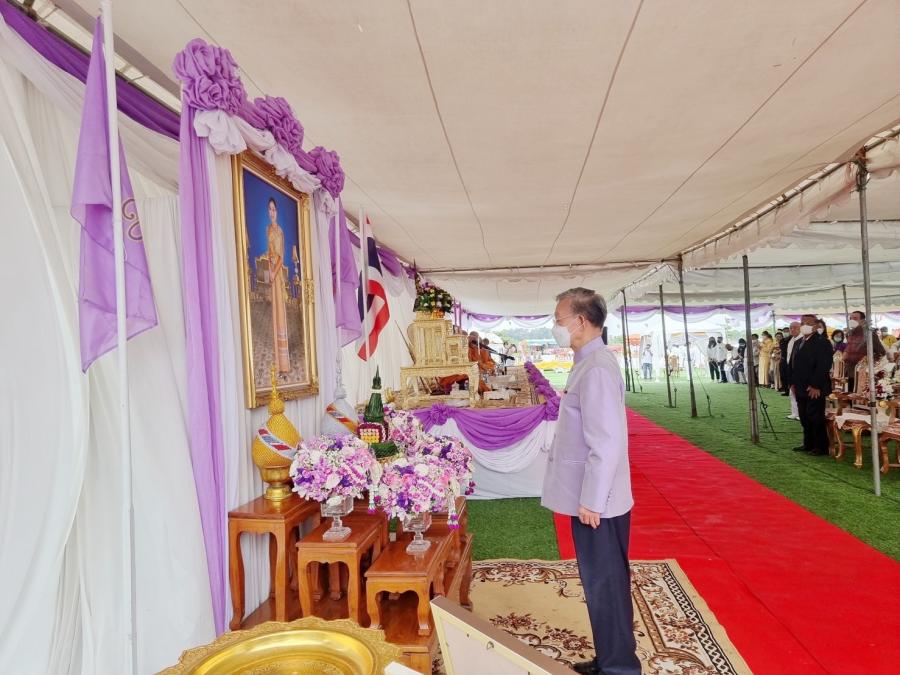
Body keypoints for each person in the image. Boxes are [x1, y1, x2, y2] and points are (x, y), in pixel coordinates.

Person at [541, 288, 640, 675]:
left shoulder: (596, 367)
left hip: (599, 501)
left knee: (605, 582)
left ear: (580, 321)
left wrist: (593, 500)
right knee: (602, 581)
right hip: (594, 495)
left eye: (559, 320)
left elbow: (607, 441)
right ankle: (612, 658)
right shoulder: (589, 361)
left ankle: (619, 668)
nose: (555, 326)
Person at [789, 315, 834, 455]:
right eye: (802, 323)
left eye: (808, 323)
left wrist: (815, 385)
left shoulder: (822, 342)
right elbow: (793, 364)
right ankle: (808, 443)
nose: (804, 325)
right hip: (800, 385)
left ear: (816, 326)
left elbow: (823, 366)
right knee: (804, 416)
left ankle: (821, 446)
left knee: (815, 416)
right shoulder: (799, 341)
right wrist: (792, 383)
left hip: (814, 387)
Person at [266, 198, 291, 372]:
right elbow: (270, 252)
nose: (272, 212)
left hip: (277, 272)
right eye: (270, 209)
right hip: (271, 270)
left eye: (274, 209)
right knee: (274, 311)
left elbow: (281, 256)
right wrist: (269, 269)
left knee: (280, 312)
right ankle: (277, 358)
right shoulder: (267, 229)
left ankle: (284, 363)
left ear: (277, 211)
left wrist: (274, 272)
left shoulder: (280, 231)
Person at [844, 311, 885, 391]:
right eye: (850, 318)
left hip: (862, 373)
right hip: (849, 371)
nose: (852, 320)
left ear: (863, 320)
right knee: (850, 394)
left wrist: (867, 361)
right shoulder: (850, 333)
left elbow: (881, 352)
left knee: (860, 395)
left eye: (855, 318)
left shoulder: (869, 334)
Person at [784, 322, 801, 420]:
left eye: (795, 328)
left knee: (799, 392)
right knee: (792, 391)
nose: (792, 330)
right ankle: (794, 412)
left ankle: (801, 413)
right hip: (790, 368)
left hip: (799, 369)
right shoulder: (791, 340)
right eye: (791, 328)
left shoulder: (802, 339)